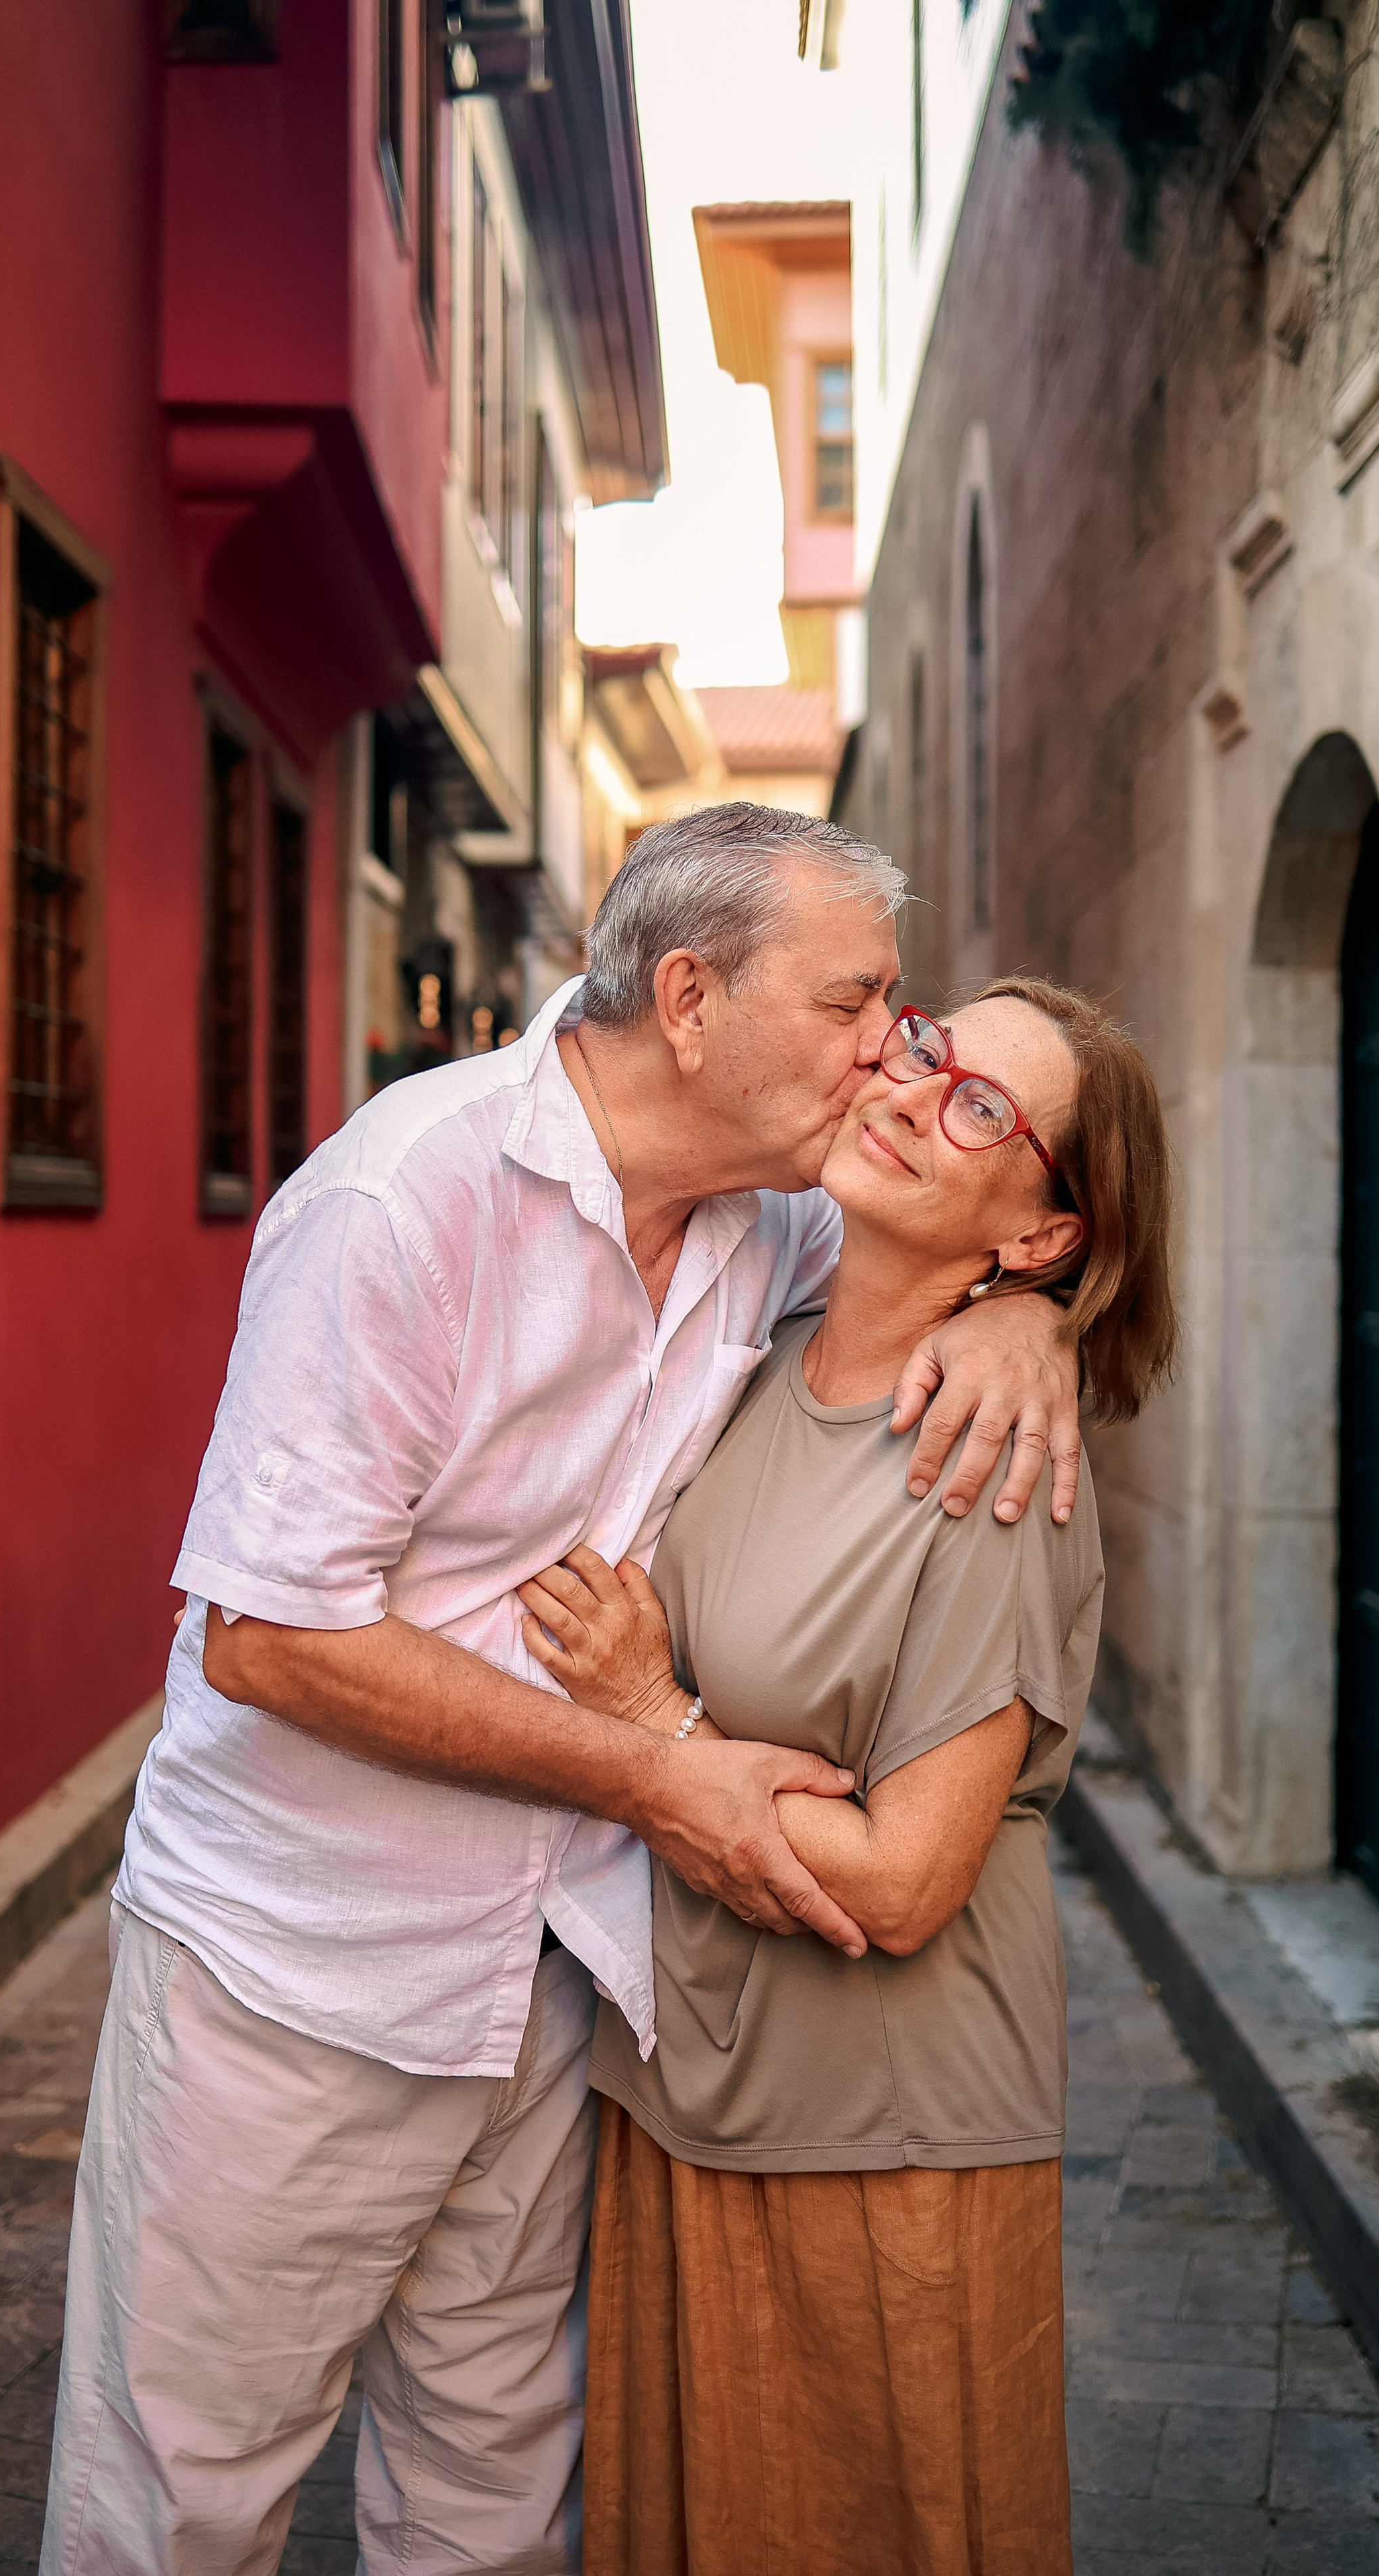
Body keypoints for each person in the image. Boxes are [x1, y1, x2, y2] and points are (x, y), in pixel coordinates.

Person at [38, 808, 1086, 2576]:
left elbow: (972, 1244)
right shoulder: (406, 1199)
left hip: (555, 1987)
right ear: (692, 1000)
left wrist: (1025, 1324)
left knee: (491, 2510)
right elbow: (269, 1639)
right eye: (857, 1005)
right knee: (177, 2505)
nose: (886, 1057)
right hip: (303, 1979)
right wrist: (659, 1778)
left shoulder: (772, 1225)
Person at [516, 977, 1177, 2576]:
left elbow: (896, 1883)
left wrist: (646, 1714)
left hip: (881, 2140)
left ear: (1035, 1237)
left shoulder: (993, 1472)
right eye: (930, 1047)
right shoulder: (757, 1346)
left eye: (977, 1110)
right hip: (684, 2092)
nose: (908, 1088)